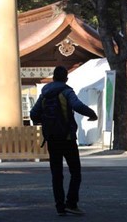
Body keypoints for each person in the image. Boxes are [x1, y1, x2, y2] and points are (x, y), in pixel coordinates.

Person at [30, 65, 98, 216]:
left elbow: (33, 114)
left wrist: (47, 121)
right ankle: (71, 203)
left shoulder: (45, 94)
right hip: (67, 138)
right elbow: (77, 105)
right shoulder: (66, 91)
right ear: (66, 78)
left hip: (52, 139)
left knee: (56, 174)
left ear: (53, 77)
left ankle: (60, 207)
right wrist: (92, 114)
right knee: (75, 172)